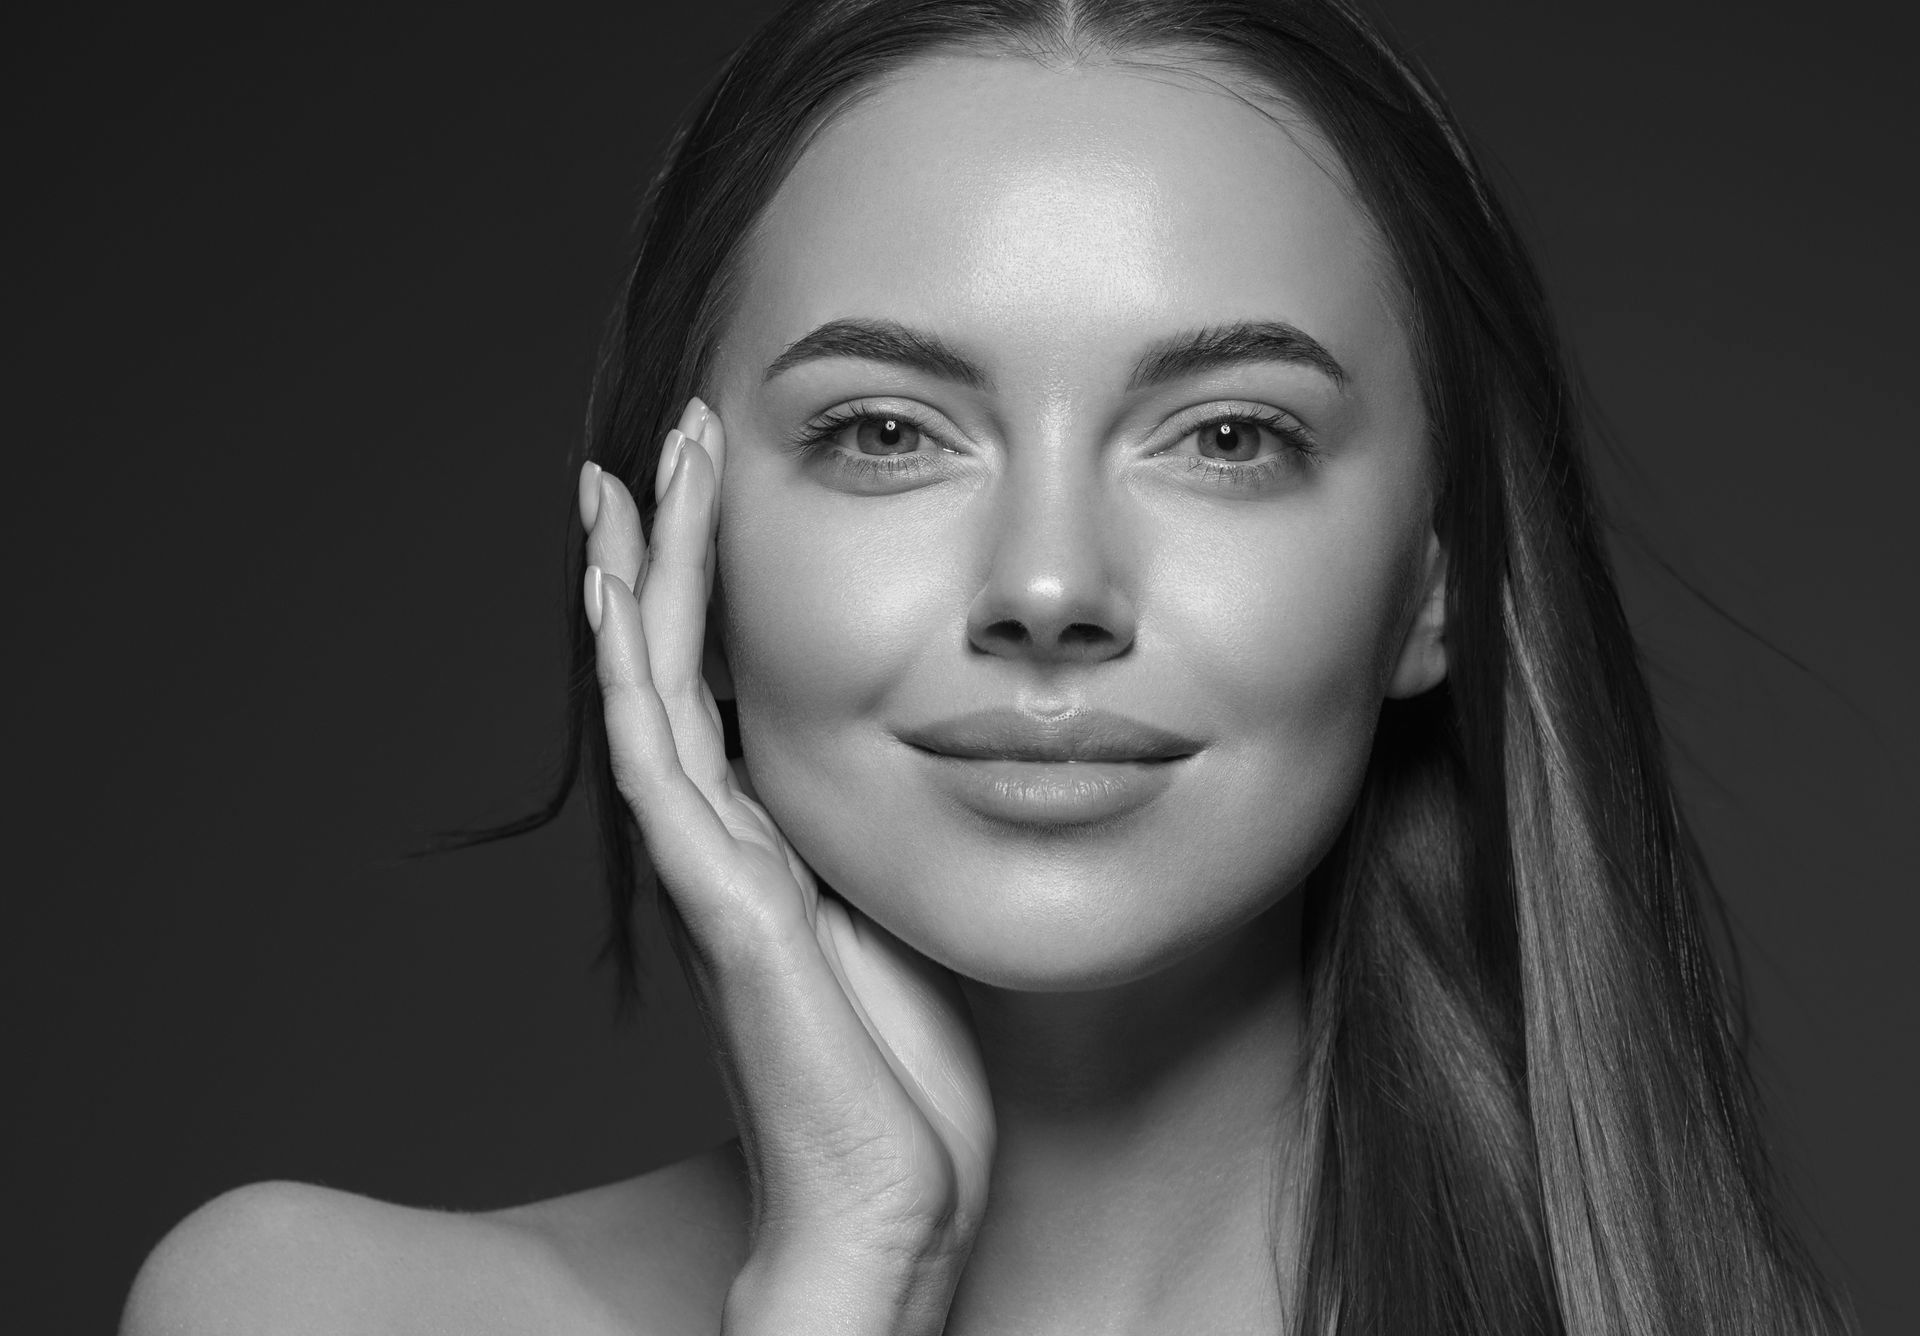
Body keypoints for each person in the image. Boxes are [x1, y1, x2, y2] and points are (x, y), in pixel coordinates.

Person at [119, 0, 1859, 1332]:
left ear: (1434, 587)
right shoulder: (310, 1307)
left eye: (1230, 437)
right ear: (685, 553)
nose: (1045, 584)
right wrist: (842, 1273)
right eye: (886, 431)